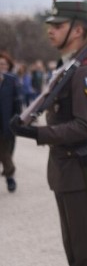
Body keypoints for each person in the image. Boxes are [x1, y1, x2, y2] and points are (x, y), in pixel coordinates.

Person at [10, 0, 87, 266]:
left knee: (85, 252)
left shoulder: (86, 73)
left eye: (58, 25)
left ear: (78, 30)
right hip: (66, 169)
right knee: (73, 250)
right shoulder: (66, 68)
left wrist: (36, 133)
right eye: (50, 25)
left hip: (80, 168)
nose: (50, 30)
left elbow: (83, 127)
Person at [0, 52, 22, 192]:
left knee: (7, 151)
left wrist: (19, 120)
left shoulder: (12, 80)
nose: (1, 67)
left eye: (4, 64)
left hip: (7, 123)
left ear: (8, 66)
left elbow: (17, 102)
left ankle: (9, 176)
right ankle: (10, 174)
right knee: (4, 152)